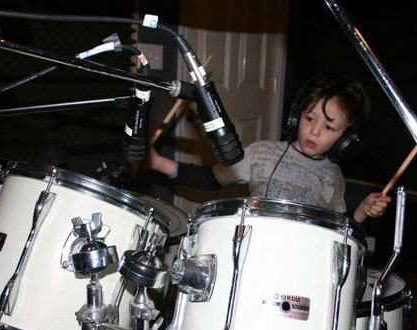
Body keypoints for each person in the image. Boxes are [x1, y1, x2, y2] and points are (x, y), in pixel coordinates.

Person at [148, 72, 390, 223]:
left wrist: (361, 211)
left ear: (345, 139)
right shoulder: (263, 153)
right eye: (310, 119)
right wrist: (158, 163)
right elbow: (211, 178)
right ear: (296, 117)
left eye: (329, 127)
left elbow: (338, 229)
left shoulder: (333, 176)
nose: (315, 131)